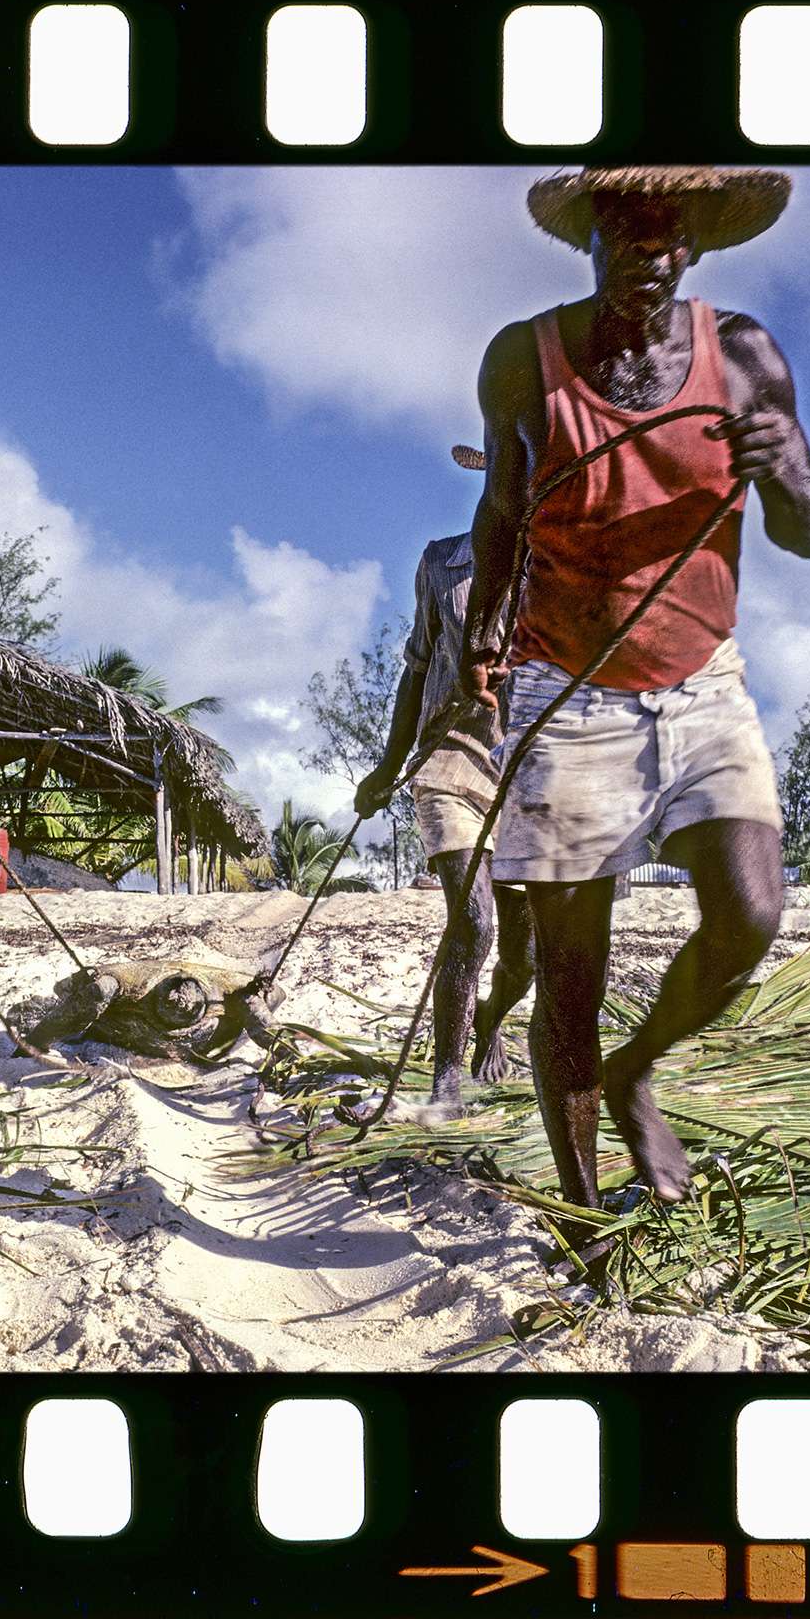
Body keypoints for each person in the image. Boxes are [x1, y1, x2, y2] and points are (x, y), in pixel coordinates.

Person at [460, 167, 810, 1210]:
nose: (649, 255)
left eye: (669, 237)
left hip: (702, 677)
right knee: (568, 978)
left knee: (751, 910)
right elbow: (501, 513)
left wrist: (785, 471)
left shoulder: (746, 353)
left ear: (698, 247)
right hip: (567, 689)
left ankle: (638, 1073)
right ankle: (582, 1219)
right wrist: (482, 652)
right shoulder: (522, 359)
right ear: (592, 237)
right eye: (628, 232)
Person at [355, 444, 536, 1120]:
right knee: (475, 921)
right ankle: (445, 1081)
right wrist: (385, 763)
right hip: (448, 765)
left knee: (526, 960)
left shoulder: (559, 574)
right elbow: (415, 666)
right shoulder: (442, 563)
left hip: (527, 779)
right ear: (490, 479)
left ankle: (490, 1020)